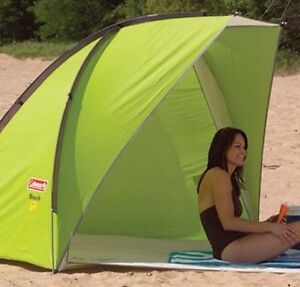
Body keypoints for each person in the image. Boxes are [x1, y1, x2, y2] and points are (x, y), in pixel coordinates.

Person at [197, 127, 300, 263]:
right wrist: (271, 228)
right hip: (231, 250)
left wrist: (266, 223)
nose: (243, 152)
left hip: (233, 246)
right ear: (223, 148)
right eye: (237, 146)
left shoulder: (222, 176)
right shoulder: (218, 175)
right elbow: (228, 223)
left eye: (244, 147)